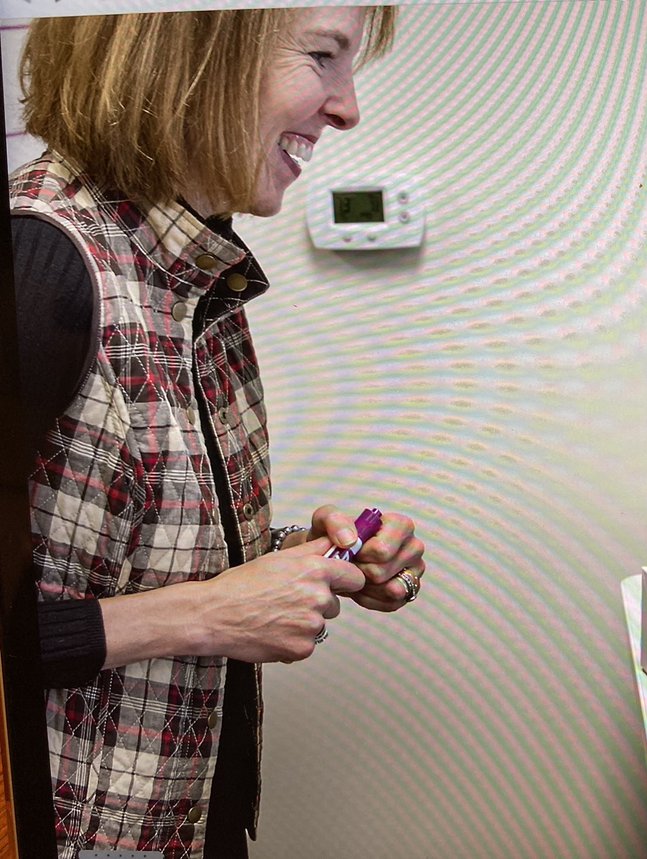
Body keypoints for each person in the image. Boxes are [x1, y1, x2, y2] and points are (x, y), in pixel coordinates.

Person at [10, 9, 425, 858]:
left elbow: (114, 557)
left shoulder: (193, 275)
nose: (347, 108)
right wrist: (204, 616)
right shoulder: (38, 269)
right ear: (190, 51)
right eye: (321, 57)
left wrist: (306, 554)